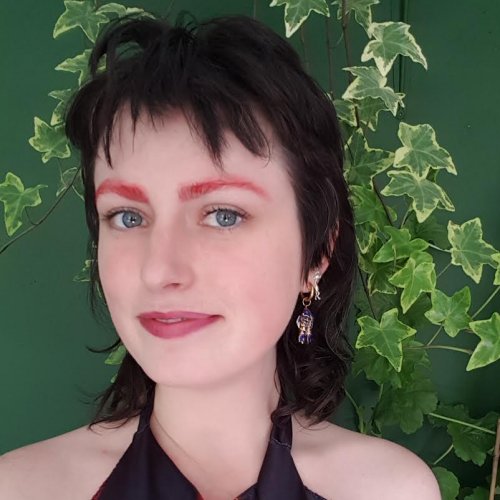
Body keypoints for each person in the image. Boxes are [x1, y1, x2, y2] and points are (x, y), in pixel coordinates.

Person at [0, 13, 441, 500]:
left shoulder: (389, 491)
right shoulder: (21, 488)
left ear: (317, 252)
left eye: (224, 215)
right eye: (127, 216)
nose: (159, 270)